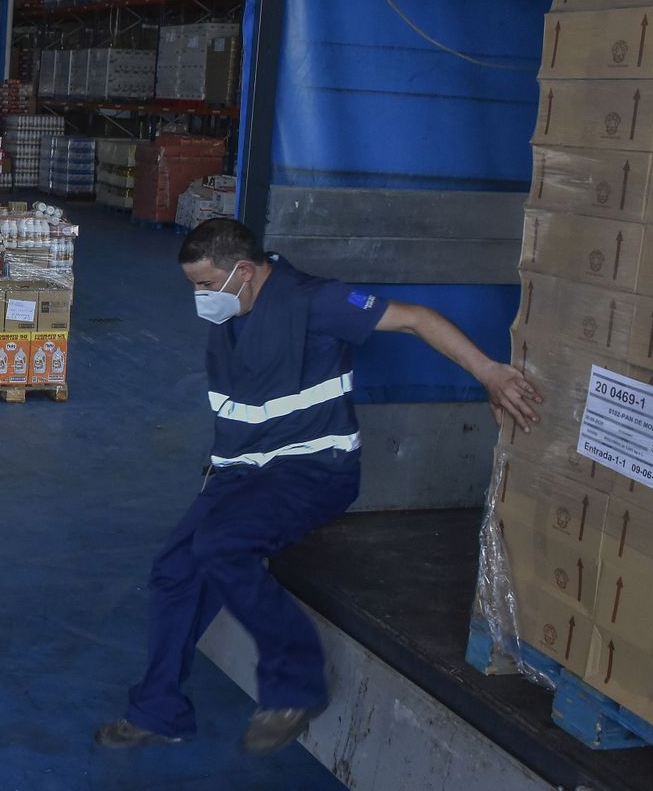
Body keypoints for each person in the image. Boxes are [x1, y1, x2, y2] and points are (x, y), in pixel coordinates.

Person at [95, 220, 542, 756]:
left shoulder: (316, 301)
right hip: (241, 472)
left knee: (222, 546)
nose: (200, 297)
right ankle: (159, 710)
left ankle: (296, 683)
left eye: (205, 284)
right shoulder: (236, 312)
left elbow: (417, 320)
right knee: (174, 571)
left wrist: (490, 373)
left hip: (313, 470)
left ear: (242, 271)